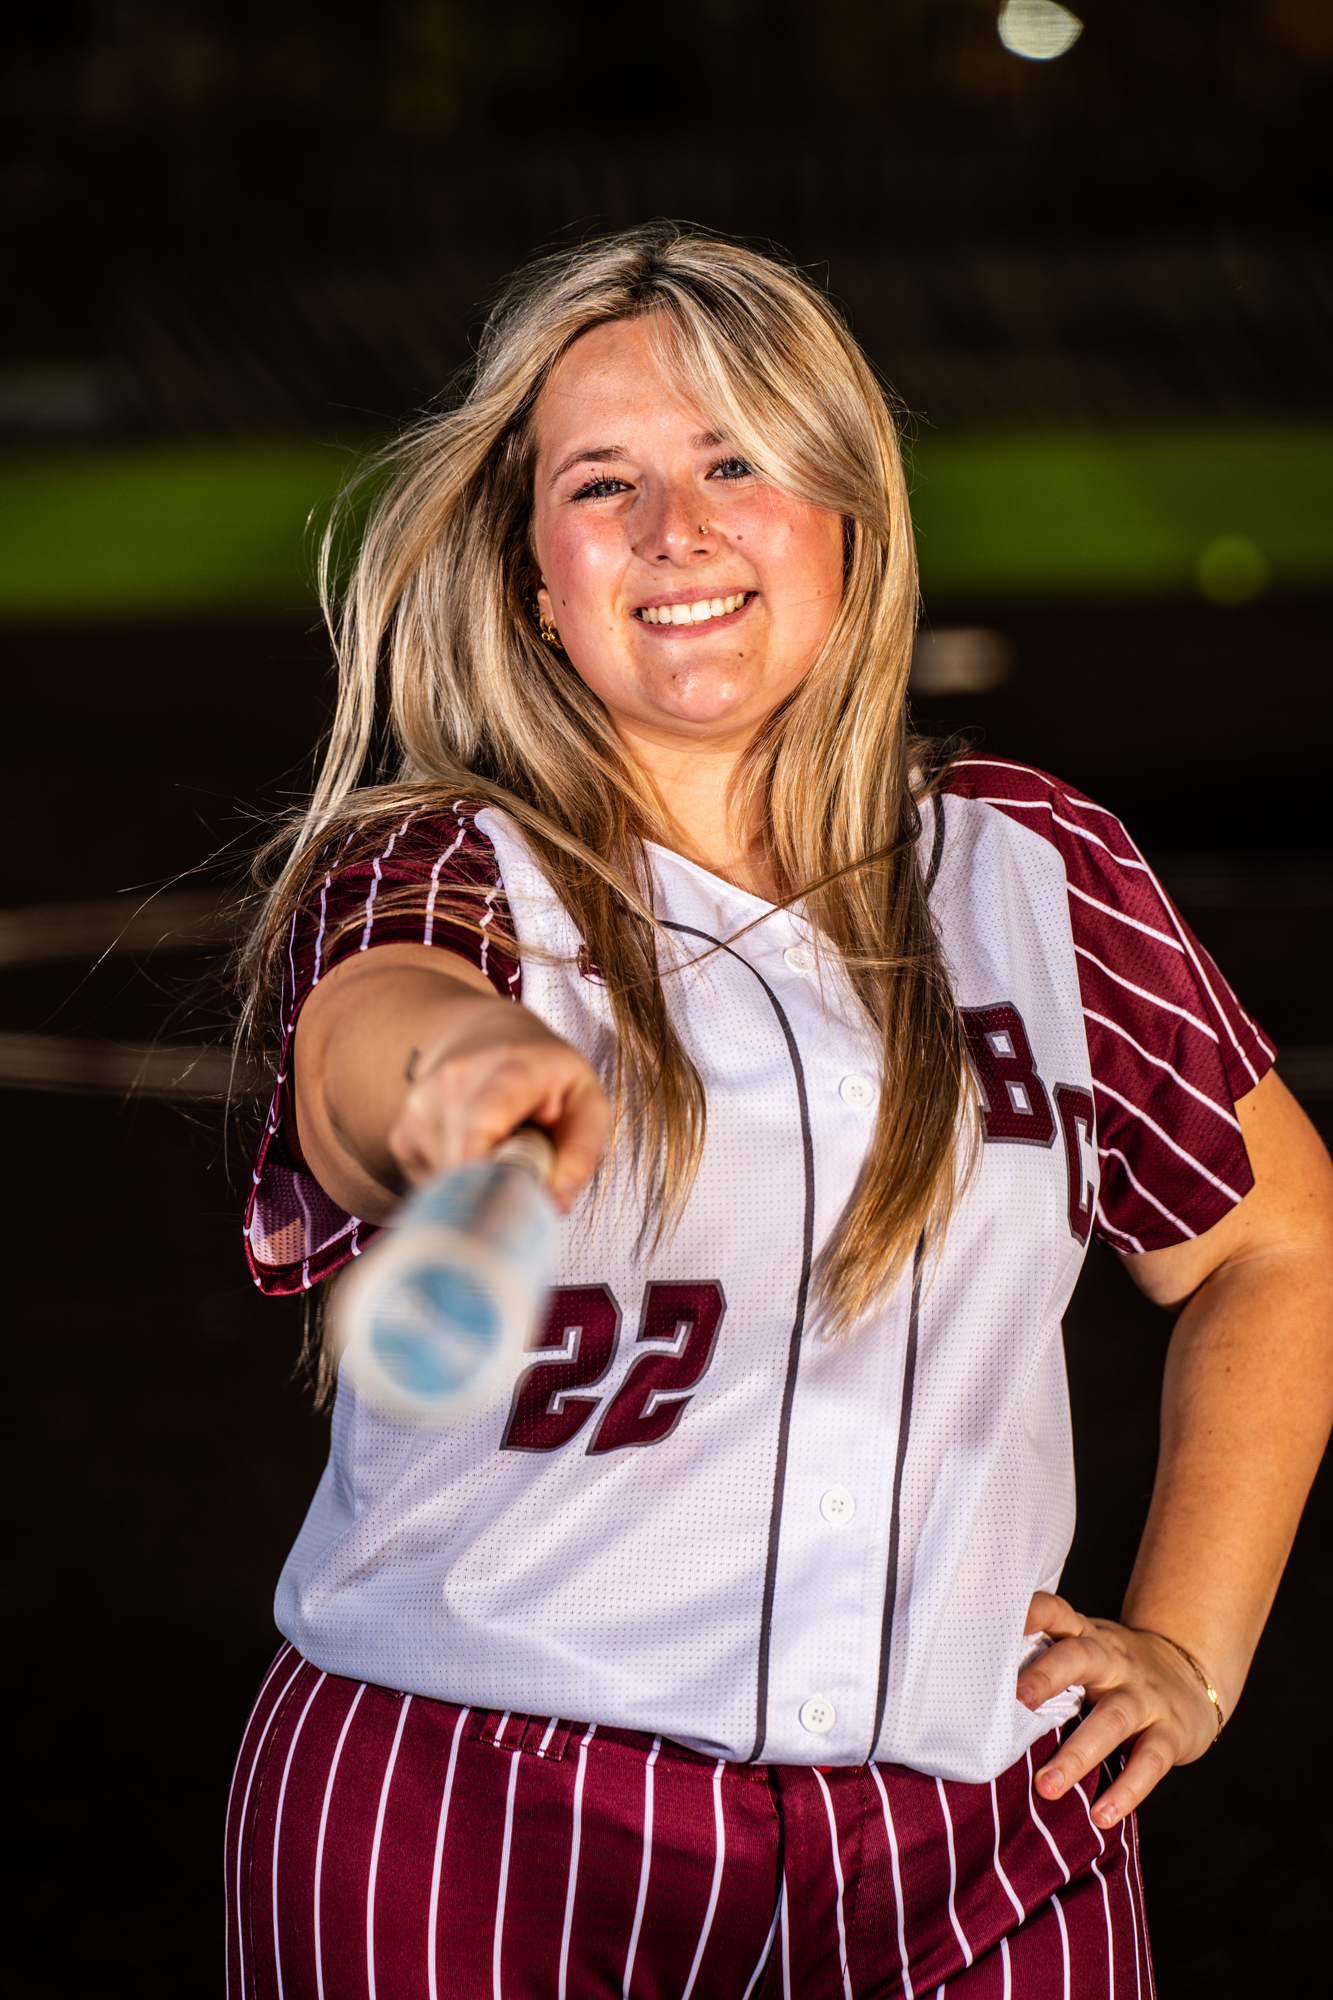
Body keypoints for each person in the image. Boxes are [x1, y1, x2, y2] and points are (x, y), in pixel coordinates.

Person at [225, 224, 1333, 1999]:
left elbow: (1272, 1239)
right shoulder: (441, 871)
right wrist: (455, 1080)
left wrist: (1191, 1649)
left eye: (736, 460)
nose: (677, 527)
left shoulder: (1037, 872)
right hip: (485, 1833)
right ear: (532, 576)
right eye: (603, 483)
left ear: (846, 517)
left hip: (982, 1847)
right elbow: (373, 1036)